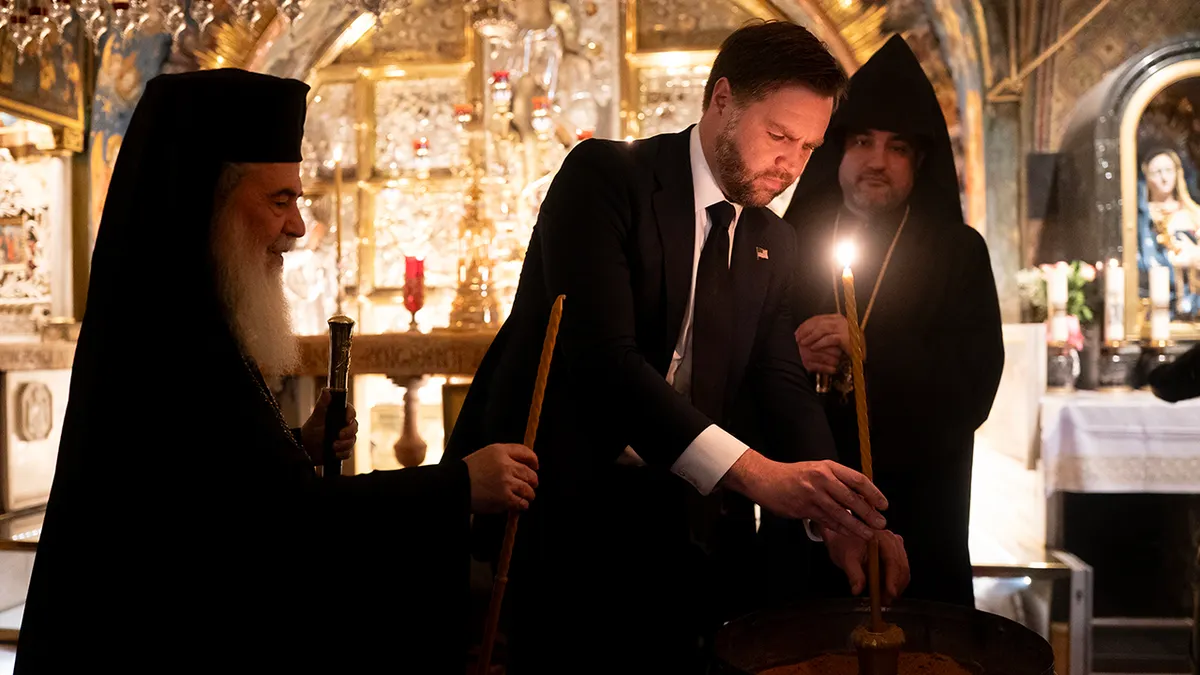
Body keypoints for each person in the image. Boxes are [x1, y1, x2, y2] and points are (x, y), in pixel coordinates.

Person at [16, 69, 539, 673]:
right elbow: (285, 526)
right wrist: (458, 486)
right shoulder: (175, 335)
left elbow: (213, 484)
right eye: (280, 200)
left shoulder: (191, 319)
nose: (298, 227)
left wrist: (296, 444)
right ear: (209, 200)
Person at [444, 21, 908, 673]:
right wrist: (759, 474)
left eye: (809, 147)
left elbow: (781, 381)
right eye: (780, 136)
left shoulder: (773, 241)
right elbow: (606, 365)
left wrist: (840, 514)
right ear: (722, 100)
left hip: (687, 517)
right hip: (568, 510)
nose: (792, 166)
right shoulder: (607, 178)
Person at [781, 35, 1004, 608]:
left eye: (896, 147)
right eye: (862, 142)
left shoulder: (958, 253)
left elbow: (973, 391)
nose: (877, 161)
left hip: (918, 514)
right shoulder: (787, 243)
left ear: (919, 161)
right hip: (804, 522)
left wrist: (870, 348)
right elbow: (746, 369)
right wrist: (792, 356)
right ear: (837, 149)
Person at [1138, 148, 1200, 319]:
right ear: (1146, 177)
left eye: (1168, 170)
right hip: (1159, 301)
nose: (1164, 178)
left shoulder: (1193, 214)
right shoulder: (1143, 218)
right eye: (1157, 172)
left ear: (1177, 173)